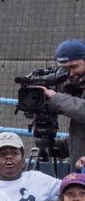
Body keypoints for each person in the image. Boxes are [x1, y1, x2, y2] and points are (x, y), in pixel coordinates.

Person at [36, 39, 85, 172]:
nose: (70, 73)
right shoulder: (76, 89)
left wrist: (56, 99)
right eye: (64, 68)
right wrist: (55, 146)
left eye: (74, 67)